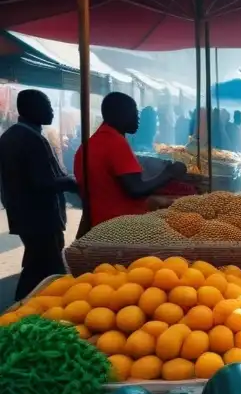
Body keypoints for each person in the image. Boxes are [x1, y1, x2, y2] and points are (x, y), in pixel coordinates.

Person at [0, 90, 78, 298]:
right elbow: (42, 182)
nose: (51, 110)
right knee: (46, 267)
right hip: (39, 217)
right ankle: (21, 310)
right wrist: (71, 182)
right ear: (30, 109)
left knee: (39, 262)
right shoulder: (28, 138)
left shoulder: (14, 135)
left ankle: (28, 305)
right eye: (46, 105)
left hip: (26, 215)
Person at [74, 92, 186, 230]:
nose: (138, 118)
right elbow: (135, 189)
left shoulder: (88, 145)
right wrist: (170, 172)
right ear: (120, 114)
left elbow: (108, 190)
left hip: (99, 223)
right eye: (134, 113)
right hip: (121, 227)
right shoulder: (115, 143)